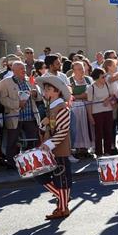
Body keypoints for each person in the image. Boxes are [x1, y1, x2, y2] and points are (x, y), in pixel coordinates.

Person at [35, 74, 73, 219]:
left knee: (61, 179)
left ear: (57, 91)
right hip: (50, 150)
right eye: (44, 89)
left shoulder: (61, 107)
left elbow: (63, 130)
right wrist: (42, 125)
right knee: (40, 175)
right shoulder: (51, 107)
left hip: (59, 150)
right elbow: (49, 128)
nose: (45, 92)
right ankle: (63, 198)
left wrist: (48, 144)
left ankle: (63, 208)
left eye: (48, 89)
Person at [0, 61, 41, 165]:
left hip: (30, 117)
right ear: (14, 70)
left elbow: (39, 96)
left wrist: (35, 94)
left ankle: (30, 163)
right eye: (21, 69)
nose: (24, 70)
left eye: (24, 68)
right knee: (13, 142)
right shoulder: (5, 82)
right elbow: (3, 100)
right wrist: (17, 104)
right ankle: (12, 164)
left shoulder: (29, 81)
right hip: (14, 117)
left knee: (32, 141)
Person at [89, 66, 118, 156]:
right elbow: (89, 103)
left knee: (108, 132)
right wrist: (90, 116)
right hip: (96, 113)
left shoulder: (107, 85)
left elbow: (113, 95)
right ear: (97, 78)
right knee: (98, 134)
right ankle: (99, 153)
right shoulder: (91, 88)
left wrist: (108, 100)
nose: (105, 78)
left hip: (108, 111)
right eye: (103, 77)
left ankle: (107, 152)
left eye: (105, 76)